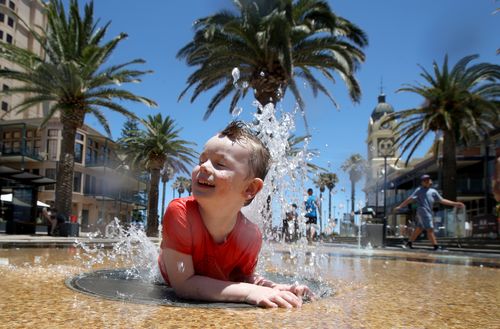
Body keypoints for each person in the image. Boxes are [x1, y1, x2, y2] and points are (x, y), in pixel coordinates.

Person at [158, 121, 314, 308]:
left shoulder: (251, 236)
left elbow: (244, 277)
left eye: (220, 164)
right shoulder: (180, 212)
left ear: (250, 188)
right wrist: (250, 292)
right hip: (174, 272)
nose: (204, 167)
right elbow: (184, 284)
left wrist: (279, 288)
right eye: (202, 160)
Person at [394, 174, 464, 250]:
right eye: (424, 180)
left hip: (428, 212)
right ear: (422, 182)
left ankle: (409, 243)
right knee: (430, 229)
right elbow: (409, 199)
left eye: (428, 179)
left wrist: (455, 203)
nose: (427, 181)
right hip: (423, 211)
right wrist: (400, 206)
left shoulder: (433, 191)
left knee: (419, 228)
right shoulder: (419, 190)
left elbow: (442, 200)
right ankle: (436, 246)